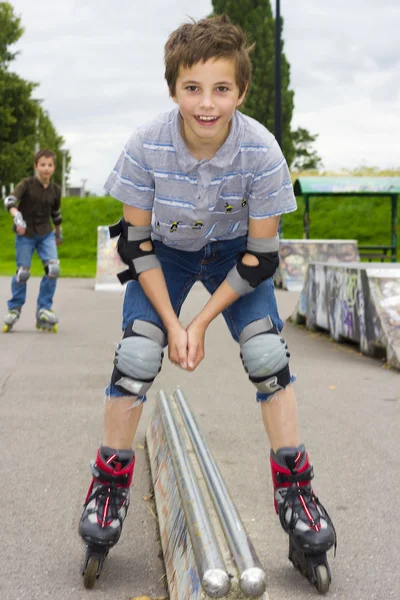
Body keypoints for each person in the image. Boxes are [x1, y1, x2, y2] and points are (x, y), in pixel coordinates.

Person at [79, 15, 336, 591]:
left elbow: (262, 257)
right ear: (173, 89)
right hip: (163, 255)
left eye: (222, 89)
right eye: (193, 88)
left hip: (234, 255)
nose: (207, 104)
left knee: (268, 354)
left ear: (241, 92)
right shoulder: (147, 144)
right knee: (139, 356)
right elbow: (135, 244)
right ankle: (110, 484)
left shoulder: (262, 150)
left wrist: (199, 322)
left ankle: (296, 489)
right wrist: (172, 325)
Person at [3, 149, 62, 332]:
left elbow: (56, 214)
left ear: (54, 167)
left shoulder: (56, 190)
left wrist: (58, 233)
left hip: (46, 233)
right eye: (42, 164)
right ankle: (15, 308)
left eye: (49, 165)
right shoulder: (26, 184)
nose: (46, 168)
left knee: (53, 269)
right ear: (36, 166)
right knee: (23, 273)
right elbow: (10, 201)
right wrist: (16, 216)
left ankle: (43, 308)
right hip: (25, 233)